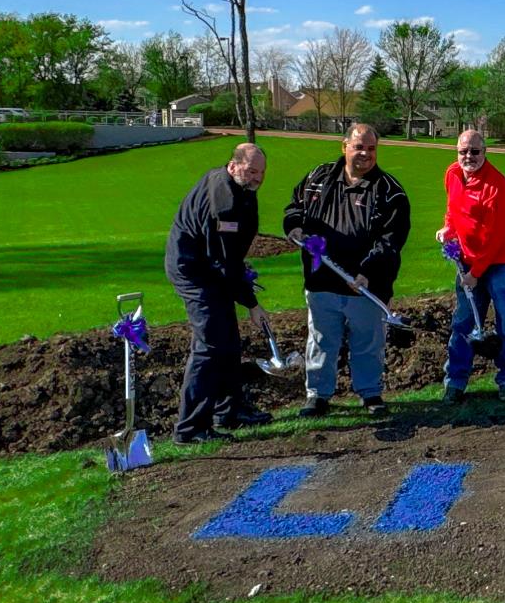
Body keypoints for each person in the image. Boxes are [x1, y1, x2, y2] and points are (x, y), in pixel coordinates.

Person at [283, 123, 412, 418]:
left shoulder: (390, 192)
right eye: (358, 147)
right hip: (321, 281)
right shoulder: (317, 177)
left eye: (371, 148)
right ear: (344, 146)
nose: (365, 153)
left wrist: (368, 271)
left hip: (363, 285)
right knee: (321, 340)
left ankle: (370, 393)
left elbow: (391, 241)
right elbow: (294, 208)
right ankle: (318, 395)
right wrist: (294, 227)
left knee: (367, 343)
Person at [164, 142, 272, 444]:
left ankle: (230, 410)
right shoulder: (222, 201)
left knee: (229, 340)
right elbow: (222, 260)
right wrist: (251, 303)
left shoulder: (242, 190)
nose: (257, 178)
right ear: (233, 165)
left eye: (262, 173)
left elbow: (231, 256)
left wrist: (240, 279)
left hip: (213, 268)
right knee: (210, 345)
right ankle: (189, 429)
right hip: (193, 272)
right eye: (251, 171)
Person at [438, 130, 505, 403]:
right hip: (467, 259)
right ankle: (456, 380)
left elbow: (495, 237)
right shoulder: (452, 174)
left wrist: (475, 274)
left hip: (502, 262)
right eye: (464, 151)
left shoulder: (497, 186)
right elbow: (453, 207)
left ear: (484, 152)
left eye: (475, 151)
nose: (469, 157)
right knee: (462, 321)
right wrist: (449, 228)